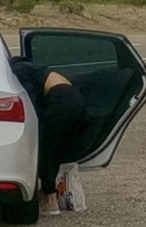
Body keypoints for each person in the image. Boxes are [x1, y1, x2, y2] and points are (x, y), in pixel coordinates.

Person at [7, 54, 91, 204]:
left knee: (41, 148)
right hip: (75, 99)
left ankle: (50, 197)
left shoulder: (18, 69)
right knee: (55, 149)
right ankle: (55, 192)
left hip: (61, 99)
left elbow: (29, 98)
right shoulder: (33, 68)